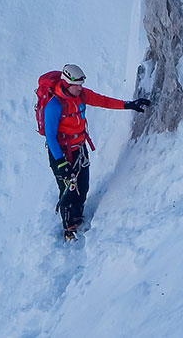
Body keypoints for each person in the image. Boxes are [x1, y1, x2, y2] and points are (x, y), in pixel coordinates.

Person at [43, 63, 150, 241]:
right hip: (61, 154)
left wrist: (128, 105)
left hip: (79, 149)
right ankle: (69, 229)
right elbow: (51, 137)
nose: (80, 88)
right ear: (67, 83)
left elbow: (103, 101)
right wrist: (62, 164)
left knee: (82, 186)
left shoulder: (81, 95)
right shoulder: (54, 106)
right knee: (68, 191)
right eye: (76, 85)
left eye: (81, 84)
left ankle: (78, 217)